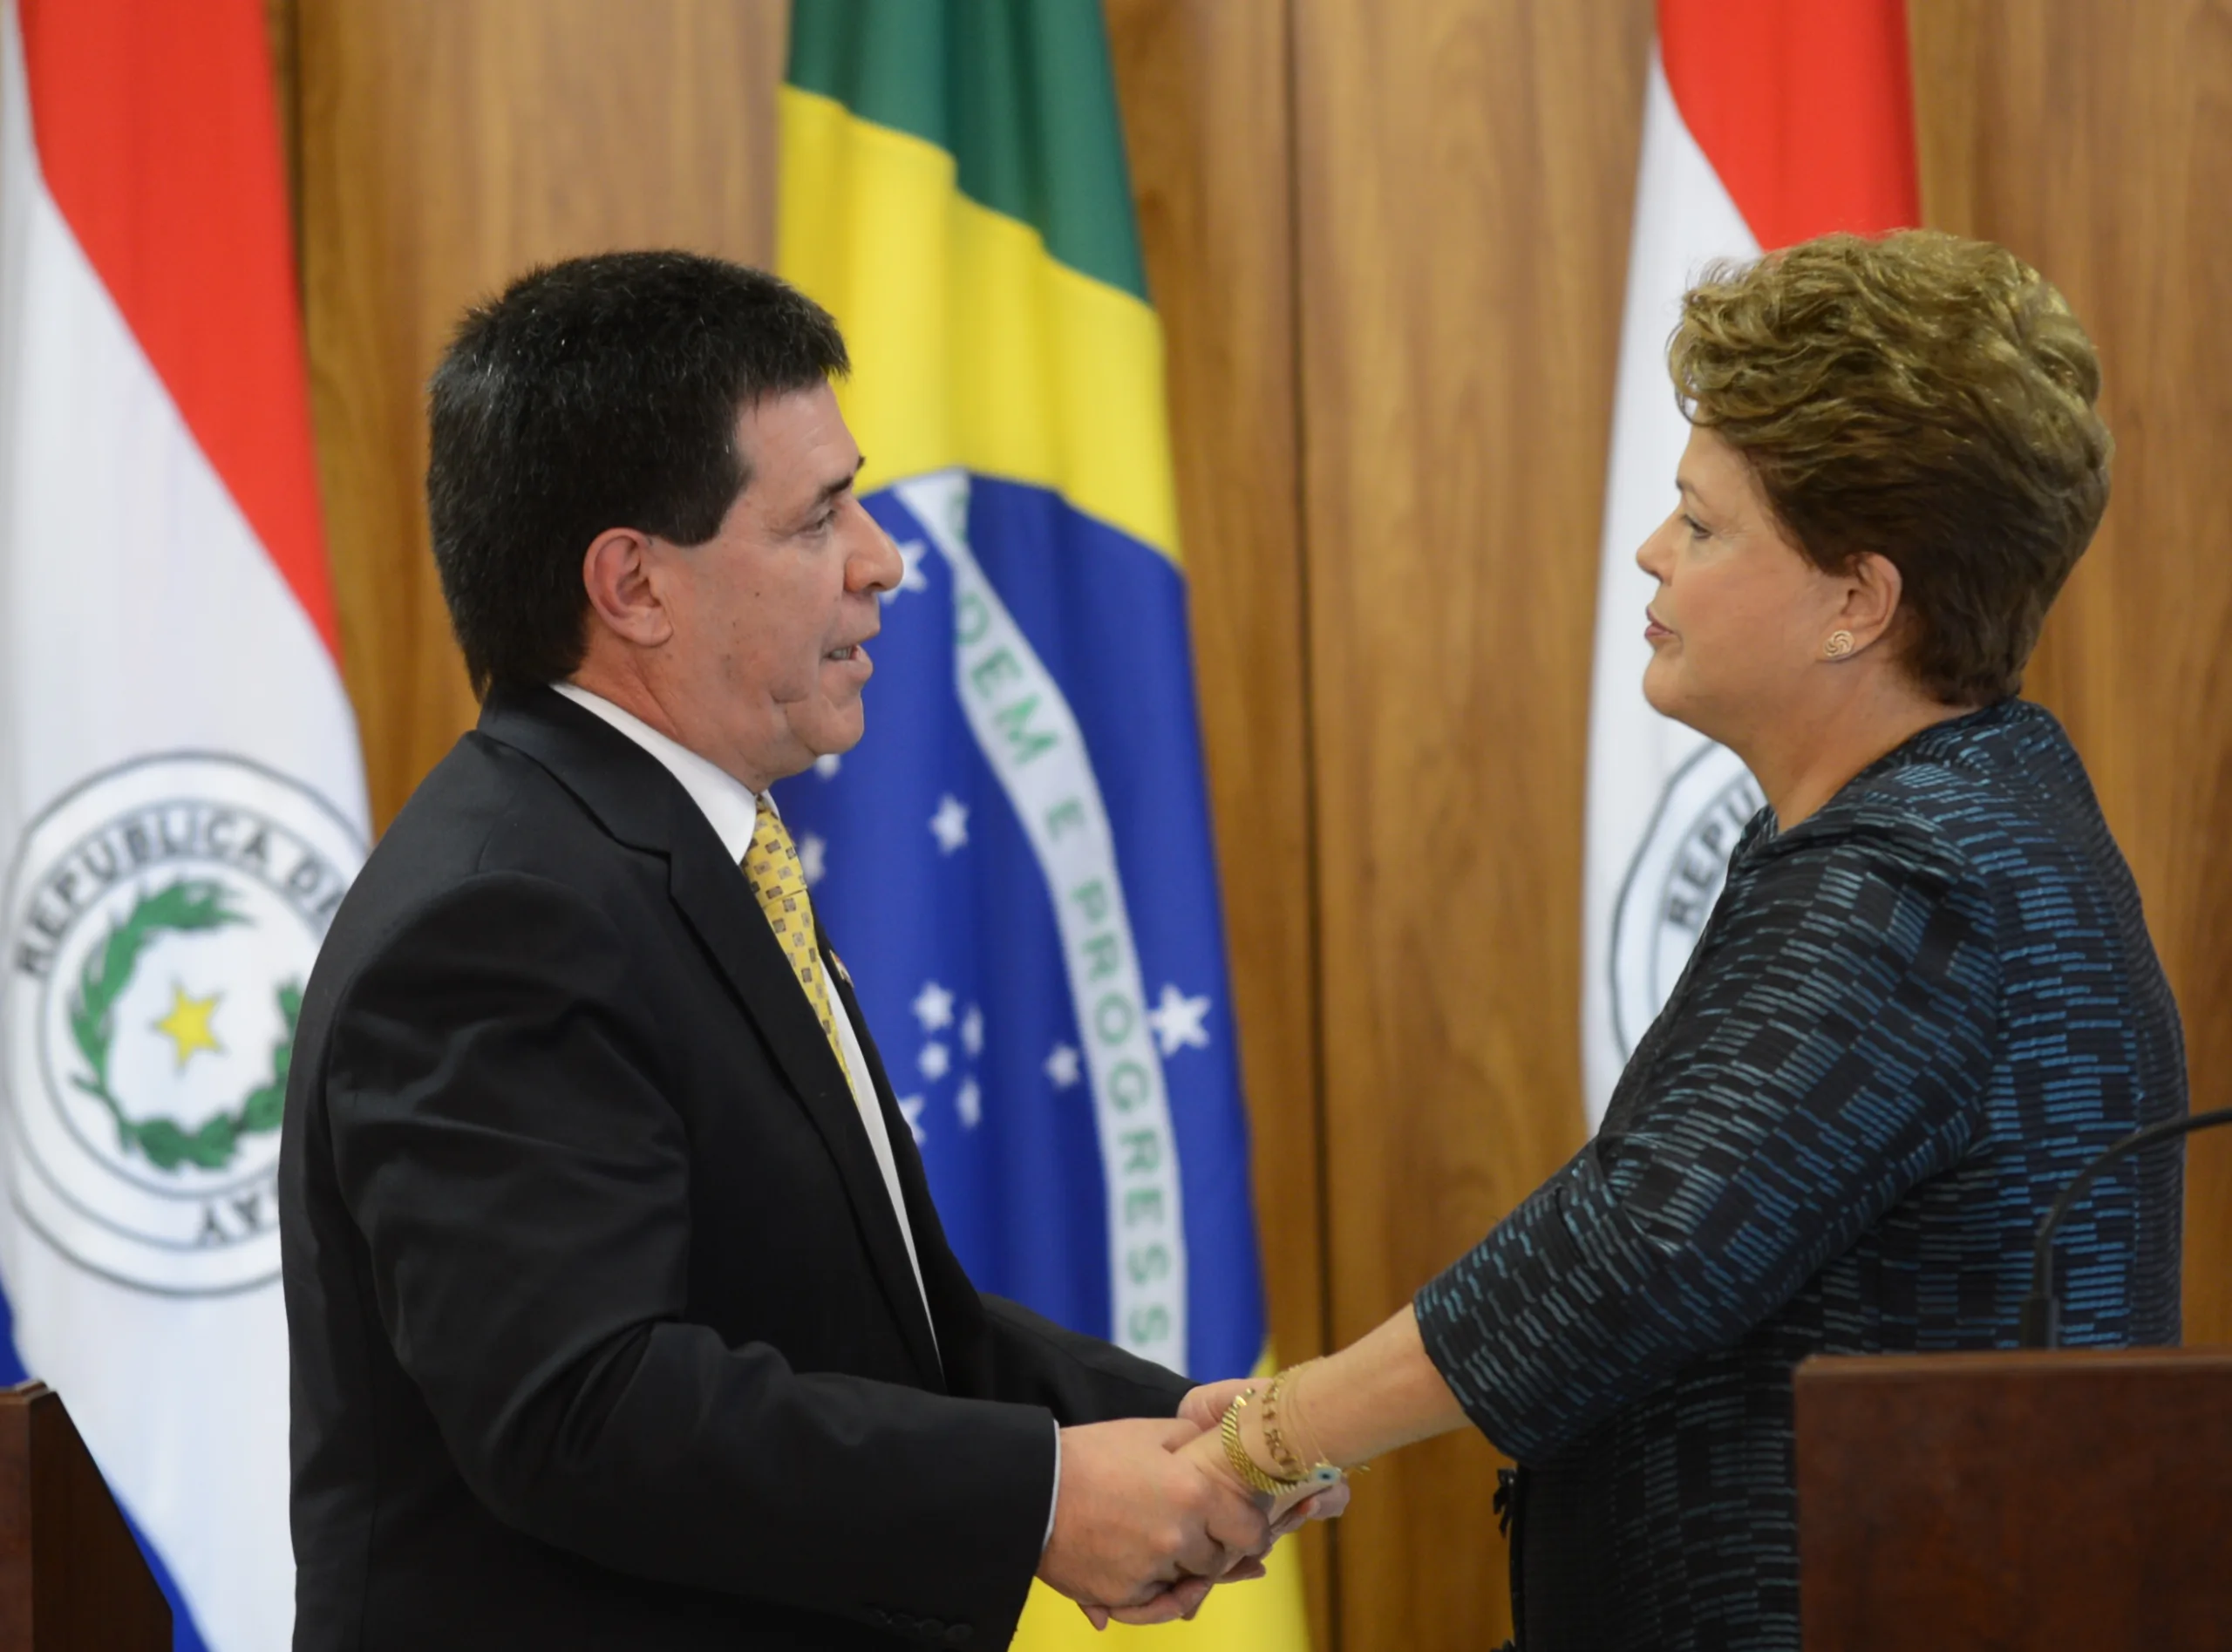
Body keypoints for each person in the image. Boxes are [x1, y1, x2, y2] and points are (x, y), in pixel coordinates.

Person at [278, 251, 1317, 1651]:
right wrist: (1044, 1493)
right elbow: (586, 1410)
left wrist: (1155, 1423)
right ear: (634, 584)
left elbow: (858, 1308)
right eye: (821, 516)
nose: (884, 557)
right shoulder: (503, 914)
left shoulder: (677, 841)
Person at [1173, 230, 2185, 1649]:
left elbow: (1631, 1253)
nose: (1651, 552)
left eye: (1703, 526)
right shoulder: (1960, 810)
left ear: (1859, 601)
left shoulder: (1919, 880)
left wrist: (1262, 1440)